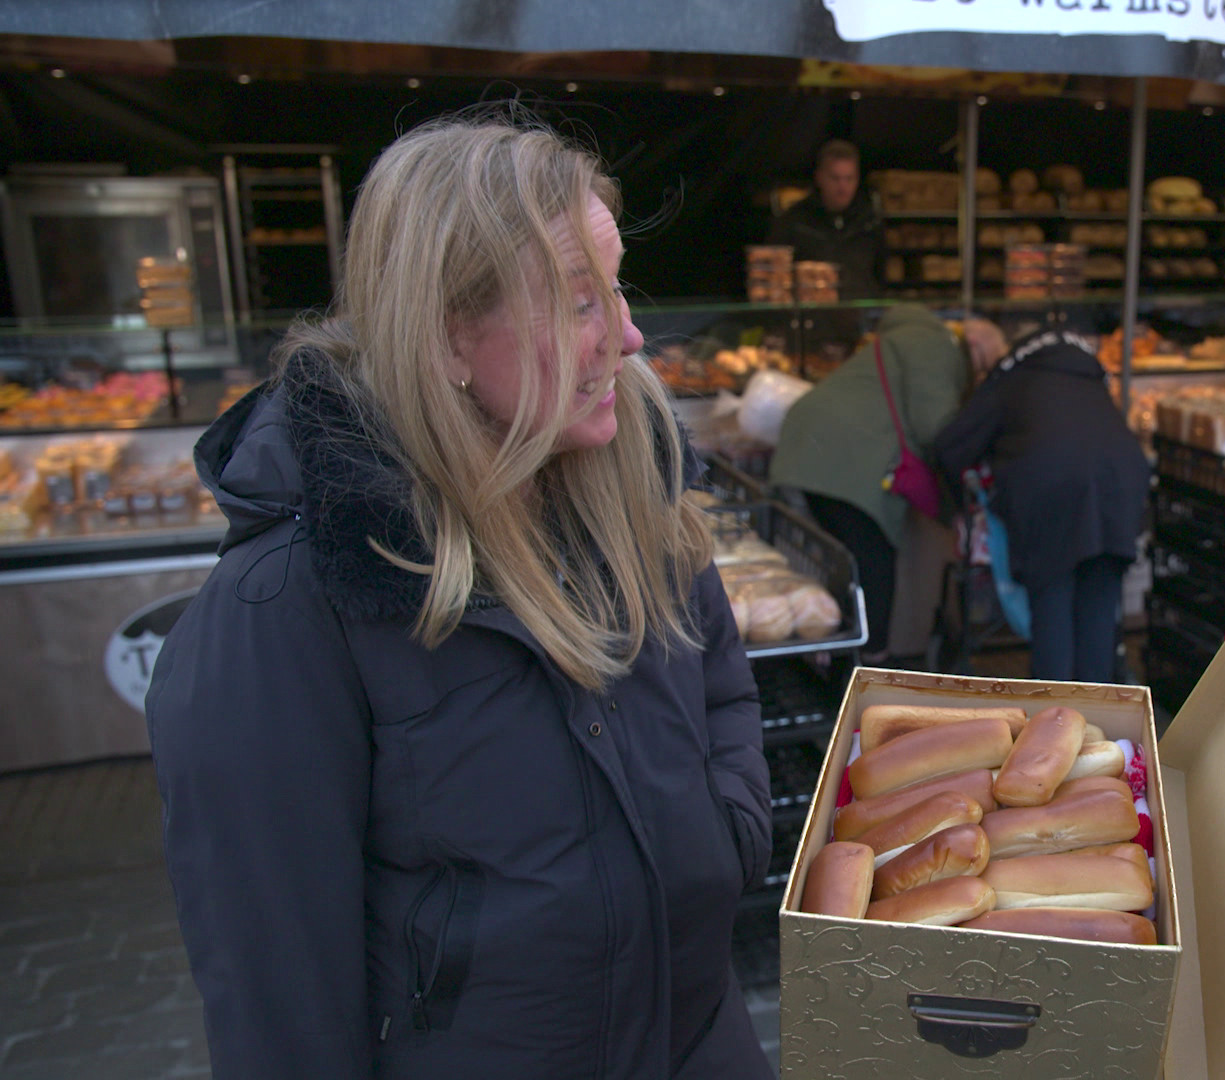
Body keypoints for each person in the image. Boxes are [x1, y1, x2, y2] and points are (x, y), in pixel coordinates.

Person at [145, 114, 774, 1079]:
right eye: (578, 302)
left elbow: (722, 689)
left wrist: (722, 831)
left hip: (702, 1044)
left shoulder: (634, 493)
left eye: (618, 288)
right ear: (443, 337)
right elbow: (279, 998)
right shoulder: (288, 607)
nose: (628, 335)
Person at [932, 321, 1150, 683]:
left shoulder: (1011, 379)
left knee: (1052, 602)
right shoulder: (1089, 376)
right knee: (1099, 605)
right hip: (1121, 483)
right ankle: (1095, 710)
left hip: (1051, 492)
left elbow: (950, 447)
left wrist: (956, 506)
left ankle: (1053, 709)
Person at [770, 303, 968, 664]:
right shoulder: (933, 341)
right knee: (873, 558)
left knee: (838, 560)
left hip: (810, 446)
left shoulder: (895, 339)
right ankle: (870, 662)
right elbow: (934, 425)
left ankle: (839, 657)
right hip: (844, 457)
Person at [767, 138, 886, 301]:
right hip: (811, 311)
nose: (843, 187)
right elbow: (776, 281)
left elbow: (880, 276)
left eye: (849, 179)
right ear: (819, 177)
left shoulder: (870, 222)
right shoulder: (794, 222)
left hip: (861, 309)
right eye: (835, 178)